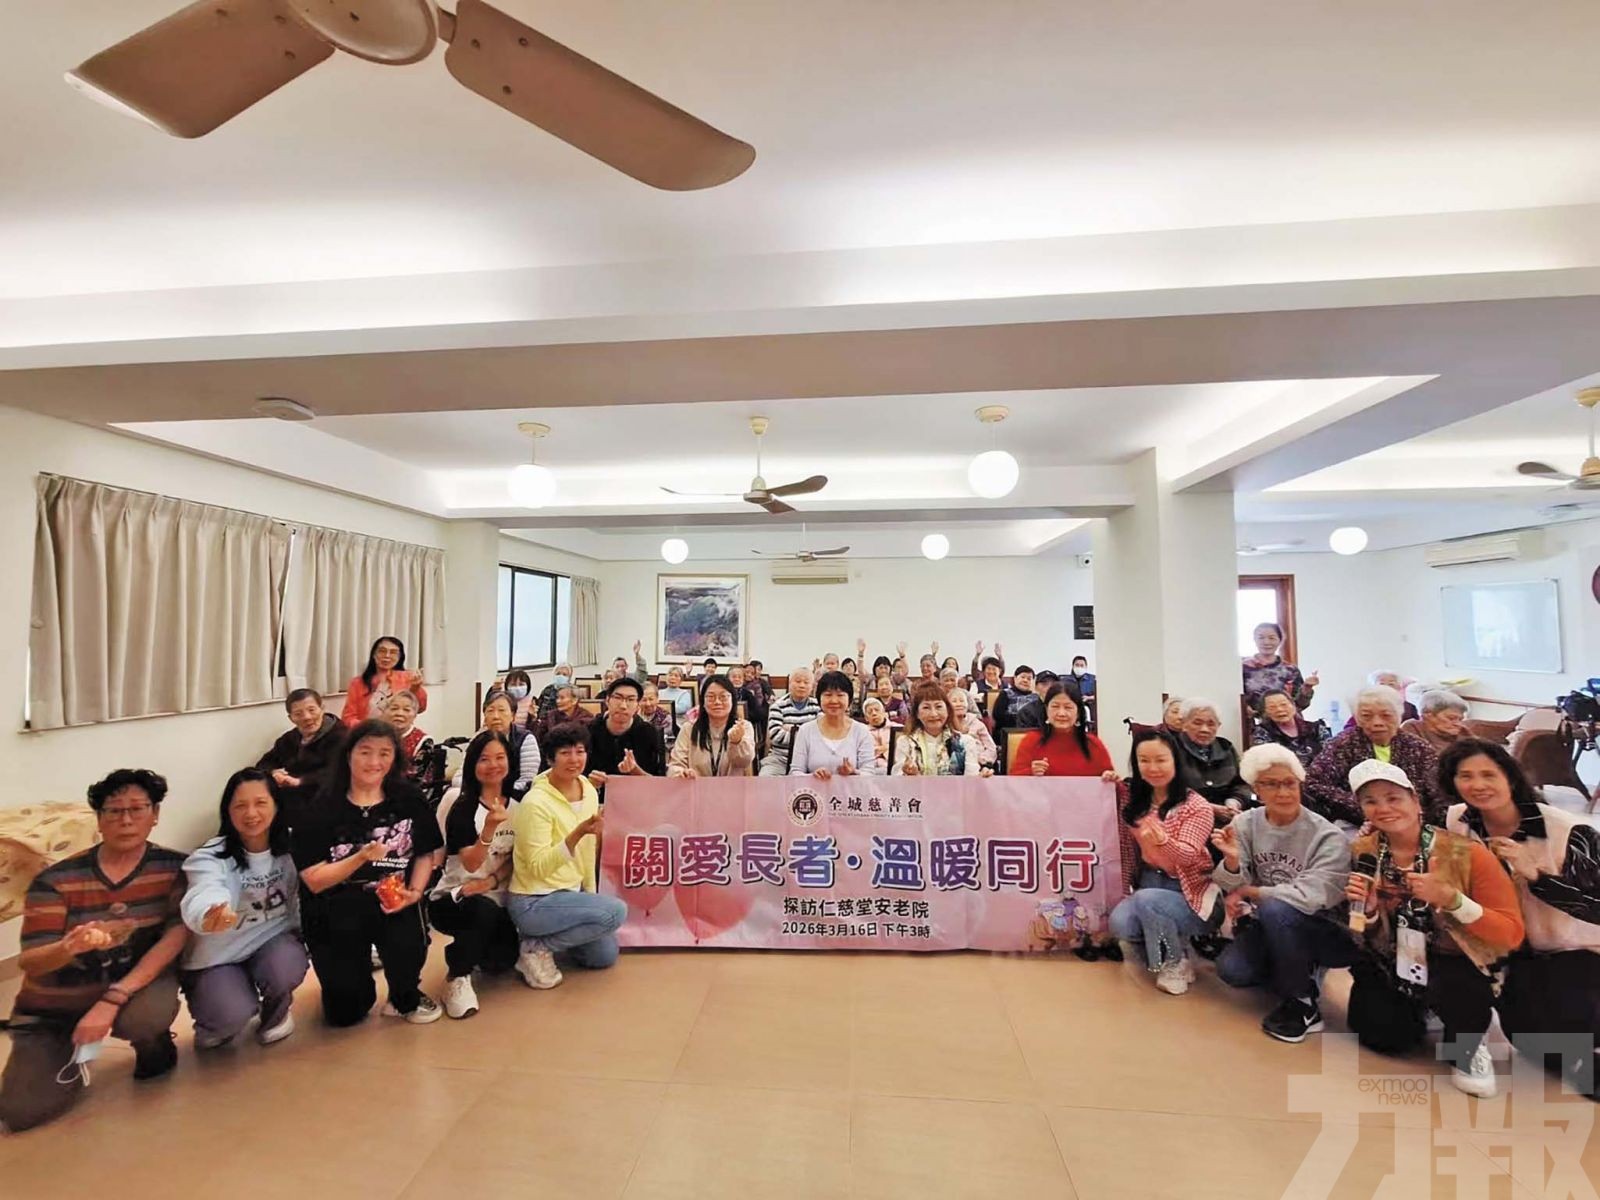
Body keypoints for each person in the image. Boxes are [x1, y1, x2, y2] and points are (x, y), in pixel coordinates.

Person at [0, 769, 187, 1132]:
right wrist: (68, 947)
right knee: (21, 1112)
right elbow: (32, 962)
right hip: (55, 1007)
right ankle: (66, 1051)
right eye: (114, 811)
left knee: (147, 1016)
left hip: (130, 990)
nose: (126, 820)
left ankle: (153, 1042)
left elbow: (174, 938)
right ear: (99, 820)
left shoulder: (175, 868)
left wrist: (112, 999)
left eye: (137, 808)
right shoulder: (56, 881)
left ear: (155, 814)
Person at [1342, 760, 1523, 1098]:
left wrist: (1452, 899)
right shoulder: (1364, 851)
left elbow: (1510, 933)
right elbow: (1362, 934)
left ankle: (1470, 1042)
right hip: (1395, 956)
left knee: (1457, 990)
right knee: (1382, 1036)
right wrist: (1368, 911)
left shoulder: (1467, 854)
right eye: (1370, 801)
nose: (1383, 808)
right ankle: (1423, 1005)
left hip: (1456, 959)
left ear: (1415, 801)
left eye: (1393, 798)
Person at [1441, 738, 1599, 1098]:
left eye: (1488, 775)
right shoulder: (1457, 820)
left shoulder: (1566, 830)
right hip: (1506, 945)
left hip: (1574, 949)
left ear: (1510, 777)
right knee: (1522, 1031)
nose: (1477, 785)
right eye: (1465, 776)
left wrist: (1538, 877)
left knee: (1565, 1021)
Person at [291, 719, 444, 1026]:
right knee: (345, 1013)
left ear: (394, 758)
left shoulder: (409, 798)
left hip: (393, 897)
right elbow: (314, 880)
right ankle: (352, 981)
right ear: (348, 754)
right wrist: (360, 857)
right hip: (335, 906)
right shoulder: (320, 805)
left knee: (407, 954)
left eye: (384, 753)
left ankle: (403, 992)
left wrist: (414, 893)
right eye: (365, 751)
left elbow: (426, 853)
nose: (374, 762)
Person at [1211, 745, 1353, 1042]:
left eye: (1289, 783)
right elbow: (1230, 885)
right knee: (1232, 971)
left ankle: (1303, 1002)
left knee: (1276, 905)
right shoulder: (1244, 824)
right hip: (1269, 922)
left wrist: (1253, 891)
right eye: (1271, 784)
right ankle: (1295, 965)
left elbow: (1314, 894)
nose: (1283, 792)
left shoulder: (1327, 835)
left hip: (1325, 928)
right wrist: (1233, 861)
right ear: (1256, 789)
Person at [179, 769, 308, 1049]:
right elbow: (204, 889)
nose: (251, 813)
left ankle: (276, 1012)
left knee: (284, 965)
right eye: (240, 805)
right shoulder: (211, 855)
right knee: (229, 1017)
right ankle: (216, 1019)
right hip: (218, 956)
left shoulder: (293, 846)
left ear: (276, 806)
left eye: (260, 803)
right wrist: (209, 913)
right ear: (227, 811)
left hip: (272, 940)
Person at [506, 724, 626, 988]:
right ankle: (535, 947)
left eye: (580, 751)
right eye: (565, 753)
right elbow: (537, 867)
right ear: (550, 759)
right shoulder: (535, 803)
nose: (574, 759)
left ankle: (549, 941)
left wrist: (590, 895)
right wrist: (577, 834)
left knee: (603, 956)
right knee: (615, 912)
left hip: (570, 892)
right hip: (534, 900)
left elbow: (587, 854)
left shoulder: (588, 790)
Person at [1109, 730, 1221, 995]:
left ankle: (1175, 960)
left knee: (1148, 900)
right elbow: (1123, 841)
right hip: (1149, 881)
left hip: (1190, 891)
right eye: (1144, 760)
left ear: (1176, 760)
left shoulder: (1196, 806)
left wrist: (1164, 842)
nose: (1152, 768)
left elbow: (1188, 856)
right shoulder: (1135, 799)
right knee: (1120, 924)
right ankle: (1171, 943)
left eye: (1161, 760)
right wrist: (1108, 782)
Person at [428, 731, 522, 1019]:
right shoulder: (463, 806)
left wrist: (491, 882)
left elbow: (515, 859)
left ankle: (471, 947)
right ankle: (457, 977)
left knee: (500, 962)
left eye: (500, 757)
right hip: (453, 898)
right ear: (472, 764)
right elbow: (470, 863)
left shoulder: (519, 806)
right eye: (484, 759)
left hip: (494, 895)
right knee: (481, 911)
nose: (493, 765)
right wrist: (490, 828)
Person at [1305, 686, 1441, 827]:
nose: (1377, 722)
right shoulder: (1343, 744)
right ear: (1357, 718)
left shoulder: (1418, 747)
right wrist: (1365, 806)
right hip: (1355, 823)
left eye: (1386, 715)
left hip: (1415, 822)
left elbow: (1438, 793)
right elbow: (1313, 783)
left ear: (1399, 716)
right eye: (1366, 716)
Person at [255, 687, 342, 823]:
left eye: (311, 710)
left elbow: (338, 772)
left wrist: (301, 781)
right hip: (291, 799)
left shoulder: (341, 736)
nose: (307, 717)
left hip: (325, 800)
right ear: (291, 718)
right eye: (298, 713)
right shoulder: (289, 739)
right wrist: (273, 773)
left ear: (322, 709)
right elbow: (264, 764)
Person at [1007, 681, 1115, 778]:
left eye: (1068, 707)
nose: (1061, 713)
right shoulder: (1031, 741)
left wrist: (1110, 779)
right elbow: (1013, 783)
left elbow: (1115, 789)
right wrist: (1031, 772)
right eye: (1055, 706)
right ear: (1046, 710)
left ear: (1078, 713)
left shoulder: (1093, 744)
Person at [789, 670, 879, 779]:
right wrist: (813, 777)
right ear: (819, 698)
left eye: (840, 695)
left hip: (851, 790)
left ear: (849, 699)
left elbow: (869, 773)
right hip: (814, 790)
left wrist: (853, 772)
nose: (834, 700)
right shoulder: (805, 731)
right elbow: (795, 772)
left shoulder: (861, 731)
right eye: (828, 695)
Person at [1173, 698, 1251, 817]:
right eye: (1197, 723)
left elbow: (1241, 784)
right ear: (1184, 724)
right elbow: (1166, 791)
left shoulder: (1226, 747)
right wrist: (1209, 808)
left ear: (1218, 725)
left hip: (1227, 814)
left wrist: (1234, 802)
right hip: (1185, 815)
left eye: (1211, 724)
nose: (1204, 729)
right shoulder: (1171, 747)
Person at [668, 675, 757, 777]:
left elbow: (743, 763)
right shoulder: (688, 729)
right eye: (711, 697)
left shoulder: (743, 727)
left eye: (723, 697)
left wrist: (737, 742)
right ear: (703, 702)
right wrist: (682, 773)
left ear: (732, 700)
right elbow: (675, 764)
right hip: (696, 785)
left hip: (732, 786)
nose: (717, 702)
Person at [586, 675, 667, 786]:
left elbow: (659, 784)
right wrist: (588, 783)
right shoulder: (588, 731)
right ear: (607, 700)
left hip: (637, 794)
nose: (623, 706)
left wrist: (635, 770)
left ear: (638, 706)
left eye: (630, 699)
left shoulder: (651, 734)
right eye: (618, 698)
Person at [892, 682, 981, 776]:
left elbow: (971, 779)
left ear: (948, 710)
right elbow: (897, 779)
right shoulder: (906, 742)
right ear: (917, 713)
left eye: (938, 707)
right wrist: (909, 775)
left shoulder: (965, 743)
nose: (933, 714)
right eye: (926, 708)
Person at [339, 635, 428, 727]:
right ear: (374, 655)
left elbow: (420, 708)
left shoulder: (408, 678)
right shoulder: (357, 683)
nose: (387, 655)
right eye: (382, 651)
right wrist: (366, 728)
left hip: (399, 731)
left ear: (399, 657)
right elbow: (348, 717)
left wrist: (415, 689)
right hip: (368, 731)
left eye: (393, 652)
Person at [1241, 622, 1318, 711]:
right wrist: (1245, 709)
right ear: (1254, 640)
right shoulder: (1242, 667)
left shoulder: (1290, 670)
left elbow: (1300, 705)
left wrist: (1307, 688)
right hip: (1253, 718)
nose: (1266, 642)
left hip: (1284, 717)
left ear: (1280, 640)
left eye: (1272, 638)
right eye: (1261, 638)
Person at [760, 666, 819, 776]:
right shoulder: (777, 706)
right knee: (765, 779)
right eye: (798, 681)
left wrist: (791, 729)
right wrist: (806, 733)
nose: (802, 685)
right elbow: (776, 736)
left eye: (806, 682)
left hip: (810, 758)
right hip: (780, 758)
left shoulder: (818, 706)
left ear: (812, 686)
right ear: (790, 683)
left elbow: (821, 736)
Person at [478, 690, 540, 793]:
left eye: (501, 710)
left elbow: (527, 780)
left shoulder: (525, 739)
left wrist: (498, 792)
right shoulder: (478, 739)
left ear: (513, 716)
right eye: (490, 711)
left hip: (515, 794)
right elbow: (460, 776)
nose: (496, 716)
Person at [1249, 689, 1327, 769]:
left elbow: (1330, 757)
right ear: (1266, 712)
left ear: (1293, 706)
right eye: (1272, 707)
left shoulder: (1316, 729)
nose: (1279, 709)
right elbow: (1266, 763)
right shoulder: (1261, 733)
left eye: (1283, 704)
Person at [1400, 689, 1470, 754]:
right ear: (1427, 714)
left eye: (1460, 719)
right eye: (1451, 718)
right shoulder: (1412, 728)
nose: (1458, 724)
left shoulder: (1463, 733)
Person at [385, 690, 433, 782]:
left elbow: (417, 778)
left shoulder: (424, 741)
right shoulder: (379, 736)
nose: (399, 713)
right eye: (394, 708)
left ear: (415, 715)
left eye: (406, 710)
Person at [946, 687, 997, 772]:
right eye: (954, 701)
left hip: (980, 765)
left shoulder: (976, 723)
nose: (959, 704)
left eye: (962, 701)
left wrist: (982, 761)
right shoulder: (945, 725)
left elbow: (991, 747)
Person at [1344, 671, 1420, 726]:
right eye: (1382, 684)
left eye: (1391, 684)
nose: (1386, 687)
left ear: (1399, 687)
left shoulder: (1409, 707)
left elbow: (1417, 726)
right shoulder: (1364, 705)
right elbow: (1350, 727)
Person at [532, 683, 587, 758]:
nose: (558, 701)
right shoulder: (550, 715)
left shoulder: (585, 717)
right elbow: (538, 737)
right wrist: (533, 720)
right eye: (557, 698)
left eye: (562, 698)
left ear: (574, 700)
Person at [657, 665, 695, 733]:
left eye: (676, 676)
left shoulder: (685, 694)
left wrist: (661, 708)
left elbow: (682, 708)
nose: (672, 678)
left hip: (678, 726)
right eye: (670, 675)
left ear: (681, 680)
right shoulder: (659, 693)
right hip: (658, 724)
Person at [861, 696, 894, 772]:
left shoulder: (897, 728)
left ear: (884, 712)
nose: (874, 713)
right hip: (872, 769)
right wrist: (884, 748)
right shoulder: (863, 732)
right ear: (866, 718)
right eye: (870, 712)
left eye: (877, 710)